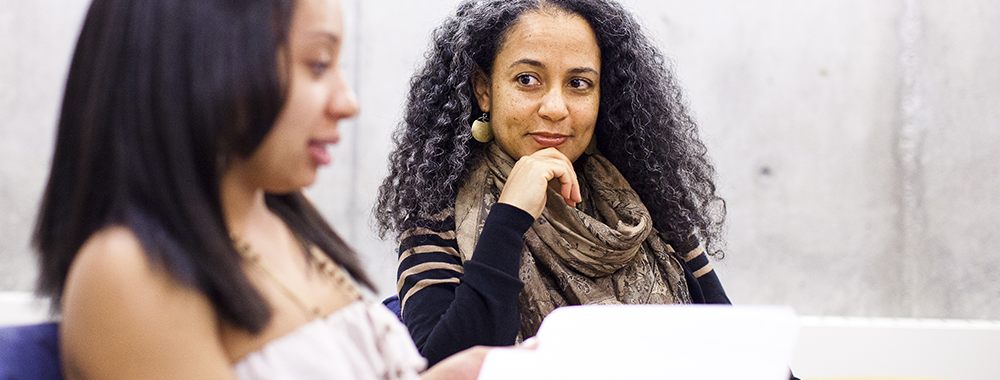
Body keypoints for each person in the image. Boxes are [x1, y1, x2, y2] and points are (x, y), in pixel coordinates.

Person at [32, 0, 489, 379]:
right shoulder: (129, 272)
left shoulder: (279, 217)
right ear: (201, 62)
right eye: (318, 65)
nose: (347, 102)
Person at [376, 0, 732, 367]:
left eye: (579, 83)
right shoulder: (436, 217)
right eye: (527, 79)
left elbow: (740, 351)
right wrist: (509, 218)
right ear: (484, 89)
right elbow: (447, 368)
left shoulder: (648, 208)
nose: (555, 107)